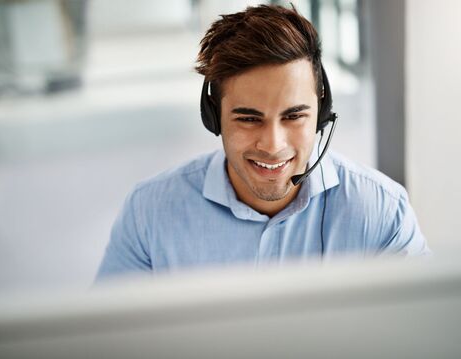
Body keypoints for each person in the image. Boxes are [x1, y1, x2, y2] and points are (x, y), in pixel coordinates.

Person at [96, 5, 430, 280]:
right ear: (214, 116)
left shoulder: (382, 211)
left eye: (294, 116)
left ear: (321, 111)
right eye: (249, 118)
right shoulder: (150, 212)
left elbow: (423, 334)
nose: (272, 145)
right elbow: (107, 340)